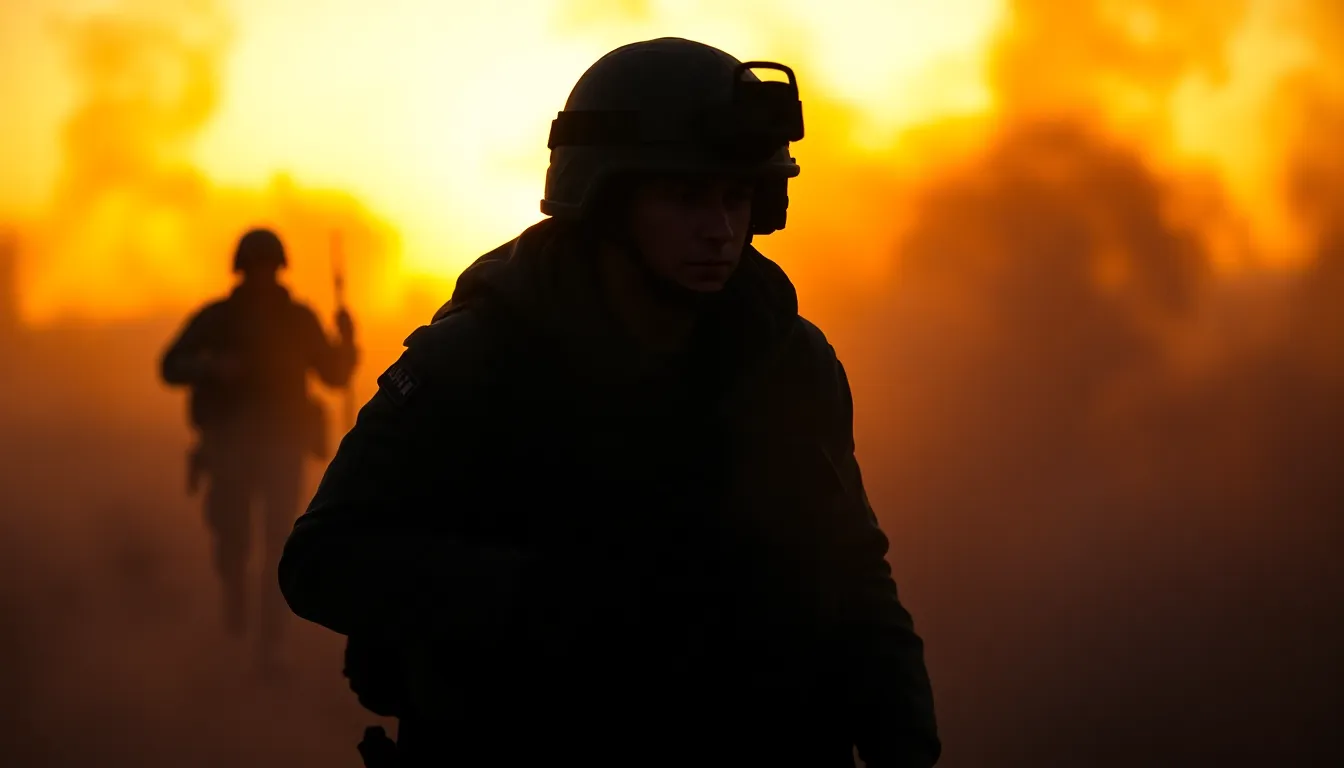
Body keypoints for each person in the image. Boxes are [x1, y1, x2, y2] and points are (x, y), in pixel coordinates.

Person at [280, 37, 939, 766]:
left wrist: (904, 737)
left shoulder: (788, 359)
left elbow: (850, 564)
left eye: (736, 196)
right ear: (607, 202)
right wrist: (550, 600)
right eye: (686, 196)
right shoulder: (478, 358)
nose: (720, 229)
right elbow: (323, 561)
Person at [161, 227, 357, 676]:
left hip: (281, 448)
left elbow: (335, 375)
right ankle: (234, 625)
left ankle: (266, 646)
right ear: (242, 273)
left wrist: (346, 340)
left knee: (277, 549)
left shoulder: (298, 321)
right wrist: (212, 366)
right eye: (255, 271)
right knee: (233, 544)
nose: (263, 279)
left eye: (269, 270)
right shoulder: (218, 320)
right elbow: (170, 365)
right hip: (230, 448)